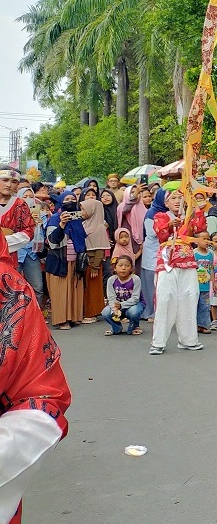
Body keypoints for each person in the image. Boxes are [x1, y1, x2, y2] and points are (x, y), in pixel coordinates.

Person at [0, 179, 72, 524]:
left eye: (11, 180)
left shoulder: (8, 293)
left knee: (39, 286)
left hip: (22, 260)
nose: (9, 184)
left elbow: (41, 398)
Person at [149, 190, 206, 355]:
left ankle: (188, 340)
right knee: (165, 298)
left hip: (187, 260)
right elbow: (160, 232)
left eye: (180, 198)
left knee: (189, 296)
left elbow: (200, 228)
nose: (176, 201)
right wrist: (170, 224)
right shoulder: (161, 216)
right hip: (167, 261)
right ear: (166, 203)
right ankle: (158, 342)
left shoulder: (188, 217)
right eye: (173, 198)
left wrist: (197, 208)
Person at [45, 192, 86, 329]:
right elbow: (52, 240)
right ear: (61, 202)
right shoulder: (55, 219)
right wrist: (62, 224)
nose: (70, 201)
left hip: (75, 261)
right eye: (66, 199)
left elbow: (82, 239)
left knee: (74, 290)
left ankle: (73, 317)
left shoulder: (77, 219)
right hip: (59, 260)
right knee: (60, 292)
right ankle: (61, 320)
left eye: (73, 199)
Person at [79, 193, 110, 324]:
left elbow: (100, 249)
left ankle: (92, 312)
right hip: (86, 262)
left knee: (93, 289)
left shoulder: (100, 227)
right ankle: (89, 310)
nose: (82, 212)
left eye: (84, 209)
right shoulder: (86, 224)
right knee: (88, 288)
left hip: (93, 264)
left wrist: (95, 267)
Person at [140, 189, 168, 322]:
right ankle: (151, 311)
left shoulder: (169, 212)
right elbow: (151, 233)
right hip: (152, 251)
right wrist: (167, 226)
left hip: (164, 252)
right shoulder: (152, 213)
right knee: (151, 284)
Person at [102, 255, 143, 336]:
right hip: (117, 306)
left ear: (131, 268)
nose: (123, 268)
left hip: (133, 305)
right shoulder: (111, 280)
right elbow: (111, 297)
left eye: (127, 266)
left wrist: (121, 305)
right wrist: (115, 310)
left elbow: (135, 298)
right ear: (115, 268)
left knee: (133, 312)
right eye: (120, 265)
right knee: (105, 312)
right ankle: (116, 327)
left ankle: (135, 325)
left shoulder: (135, 279)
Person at [15, 188, 43, 302]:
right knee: (13, 287)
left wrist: (39, 225)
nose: (28, 199)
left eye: (31, 197)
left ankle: (38, 315)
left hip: (32, 254)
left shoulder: (40, 213)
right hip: (15, 253)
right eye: (25, 196)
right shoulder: (12, 212)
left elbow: (43, 237)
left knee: (37, 286)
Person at [193, 231, 214, 333]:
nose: (206, 241)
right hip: (195, 285)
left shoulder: (211, 253)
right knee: (194, 305)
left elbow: (212, 268)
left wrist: (213, 282)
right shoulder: (194, 253)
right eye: (203, 239)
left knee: (205, 306)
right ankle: (195, 324)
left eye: (207, 239)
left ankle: (204, 325)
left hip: (206, 285)